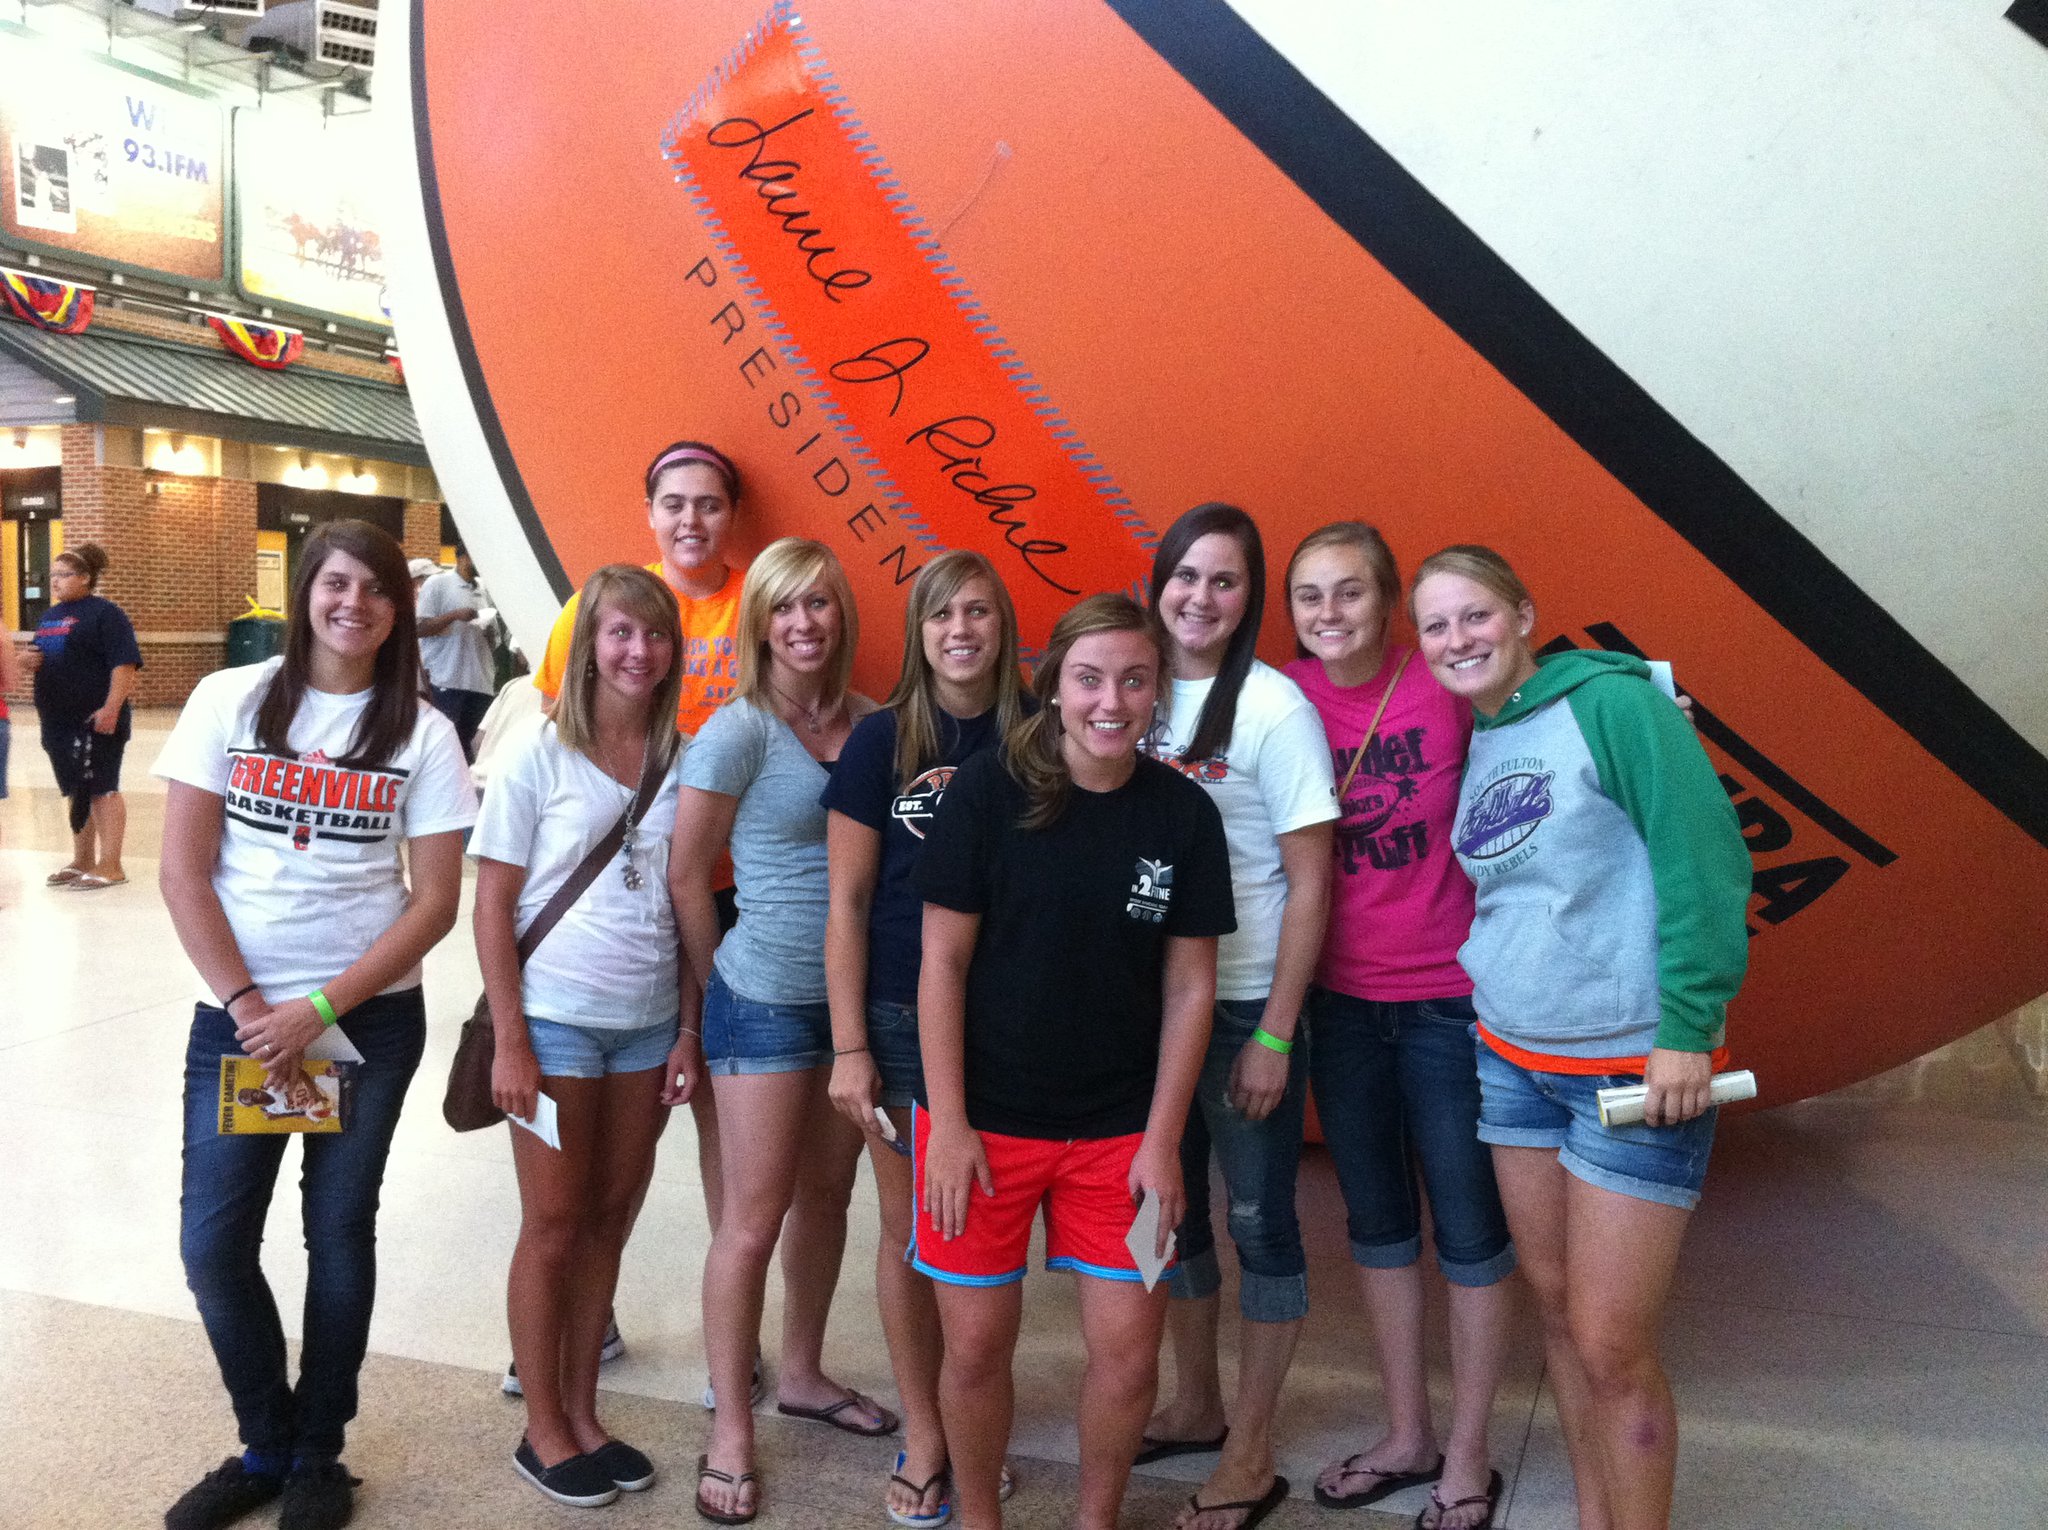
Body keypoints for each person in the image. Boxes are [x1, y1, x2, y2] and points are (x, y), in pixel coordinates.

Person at [1411, 545, 1749, 1530]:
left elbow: (1704, 864)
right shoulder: (1486, 732)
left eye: (1475, 615)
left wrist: (1687, 1028)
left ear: (1522, 614)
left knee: (1610, 1345)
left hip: (1629, 1069)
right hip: (1513, 1062)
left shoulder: (1615, 705)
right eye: (1435, 626)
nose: (1457, 639)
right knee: (1559, 1318)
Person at [154, 520, 476, 1530]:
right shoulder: (229, 700)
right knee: (214, 1245)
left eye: (377, 590)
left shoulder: (422, 732)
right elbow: (183, 872)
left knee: (336, 1233)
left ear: (399, 611)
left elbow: (434, 902)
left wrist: (320, 1010)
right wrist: (256, 1011)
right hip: (243, 1023)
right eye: (337, 583)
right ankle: (264, 1443)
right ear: (305, 592)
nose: (355, 604)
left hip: (364, 1025)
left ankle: (316, 1454)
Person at [916, 594, 1235, 1530]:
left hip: (1123, 1132)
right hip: (983, 1123)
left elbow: (1191, 990)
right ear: (1054, 685)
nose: (1111, 701)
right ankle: (980, 1517)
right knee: (976, 1350)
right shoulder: (986, 792)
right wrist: (949, 1125)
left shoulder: (1183, 814)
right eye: (1090, 679)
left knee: (1130, 1359)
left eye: (1135, 681)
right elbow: (941, 963)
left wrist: (1163, 1141)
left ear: (1158, 692)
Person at [1280, 523, 1518, 1530]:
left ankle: (1468, 1452)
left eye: (1349, 592)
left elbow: (1542, 711)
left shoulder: (1443, 681)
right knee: (1377, 1227)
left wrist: (1644, 694)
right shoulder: (1280, 696)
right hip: (1338, 1004)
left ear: (1387, 604)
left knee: (1469, 1231)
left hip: (1448, 1003)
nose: (1328, 613)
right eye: (1308, 596)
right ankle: (1407, 1433)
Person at [529, 438, 763, 1402]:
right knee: (601, 1144)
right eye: (674, 502)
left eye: (709, 503)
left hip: (735, 889)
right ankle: (587, 1315)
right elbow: (559, 740)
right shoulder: (598, 605)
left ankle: (731, 1339)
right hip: (625, 901)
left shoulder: (757, 602)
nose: (691, 520)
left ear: (731, 516)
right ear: (650, 511)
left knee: (725, 1122)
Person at [671, 537, 890, 1525]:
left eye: (819, 603)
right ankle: (730, 1427)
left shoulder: (879, 725)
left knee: (827, 1198)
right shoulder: (738, 730)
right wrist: (718, 981)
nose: (803, 623)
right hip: (758, 1001)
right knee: (752, 1220)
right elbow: (688, 874)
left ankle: (800, 1372)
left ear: (841, 614)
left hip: (852, 1010)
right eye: (784, 606)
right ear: (759, 623)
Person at [470, 564, 696, 1507]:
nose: (639, 650)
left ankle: (584, 1413)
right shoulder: (539, 753)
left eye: (656, 634)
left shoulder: (683, 756)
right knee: (555, 1224)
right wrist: (511, 1039)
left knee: (610, 1217)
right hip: (556, 1023)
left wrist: (688, 1029)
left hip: (646, 1028)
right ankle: (543, 1428)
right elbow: (491, 904)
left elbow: (689, 903)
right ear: (589, 647)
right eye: (620, 633)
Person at [1133, 505, 1336, 1530]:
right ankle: (1196, 1403)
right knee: (1164, 1210)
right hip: (1142, 1005)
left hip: (1246, 998)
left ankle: (1250, 1452)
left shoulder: (1272, 707)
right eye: (1186, 575)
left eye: (1225, 580)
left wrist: (1274, 1032)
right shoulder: (1129, 684)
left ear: (1250, 597)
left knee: (1259, 1219)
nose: (1201, 597)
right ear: (1158, 581)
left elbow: (1311, 883)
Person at [822, 550, 1029, 1526]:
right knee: (912, 1229)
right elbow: (848, 902)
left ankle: (975, 1418)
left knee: (983, 1232)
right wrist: (849, 1044)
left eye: (977, 611)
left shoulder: (1039, 731)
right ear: (918, 631)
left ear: (1002, 627)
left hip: (1013, 1021)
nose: (960, 630)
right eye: (942, 613)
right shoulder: (880, 739)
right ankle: (928, 1430)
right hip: (902, 1018)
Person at [33, 543, 140, 890]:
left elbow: (124, 664)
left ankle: (112, 864)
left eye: (63, 575)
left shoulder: (106, 614)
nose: (55, 581)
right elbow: (45, 654)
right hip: (57, 719)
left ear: (84, 578)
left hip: (95, 717)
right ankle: (82, 860)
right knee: (76, 789)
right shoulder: (50, 616)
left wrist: (111, 708)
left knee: (102, 788)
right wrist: (29, 660)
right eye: (52, 575)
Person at [416, 545, 497, 760]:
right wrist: (454, 616)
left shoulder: (484, 589)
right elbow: (420, 628)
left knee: (473, 749)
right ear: (463, 557)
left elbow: (494, 642)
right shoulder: (438, 583)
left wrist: (487, 630)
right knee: (445, 746)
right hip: (448, 679)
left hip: (480, 682)